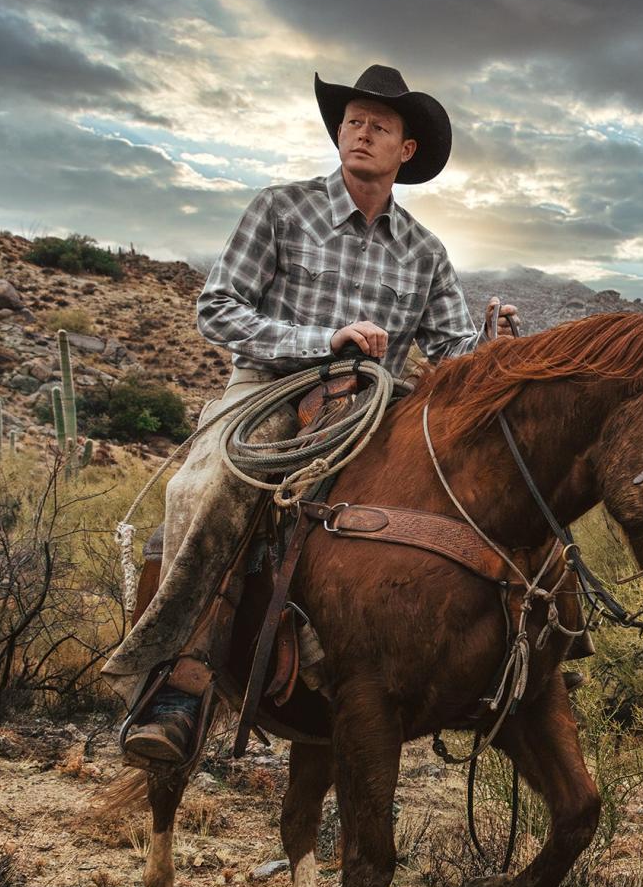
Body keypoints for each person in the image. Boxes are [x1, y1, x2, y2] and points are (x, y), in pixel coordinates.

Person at [102, 64, 518, 768]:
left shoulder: (425, 252)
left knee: (468, 487)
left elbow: (452, 354)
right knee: (213, 485)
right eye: (353, 121)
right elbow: (217, 308)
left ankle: (492, 663)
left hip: (373, 407)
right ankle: (180, 680)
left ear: (406, 150)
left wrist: (491, 344)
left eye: (379, 126)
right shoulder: (281, 209)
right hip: (270, 386)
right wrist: (321, 341)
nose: (361, 133)